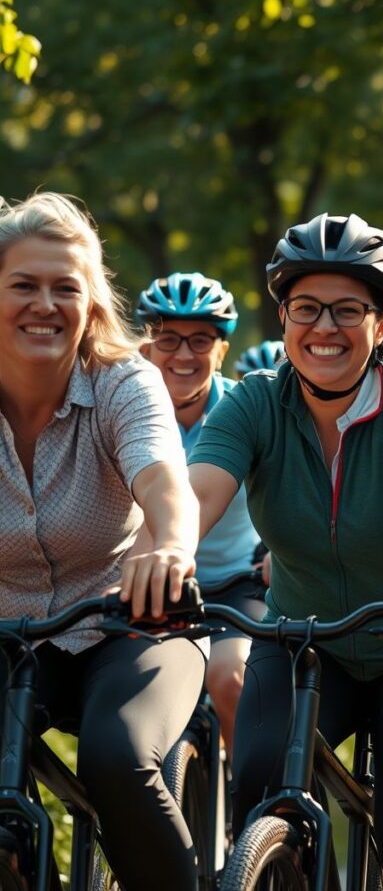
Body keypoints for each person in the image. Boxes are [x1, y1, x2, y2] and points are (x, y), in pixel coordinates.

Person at [184, 212, 383, 891]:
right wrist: (165, 552)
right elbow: (196, 494)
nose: (324, 326)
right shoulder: (252, 407)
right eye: (306, 308)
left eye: (347, 310)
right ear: (282, 318)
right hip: (302, 639)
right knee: (263, 792)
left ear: (382, 325)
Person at [0, 192, 203, 890]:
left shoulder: (124, 381)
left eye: (66, 288)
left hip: (129, 624)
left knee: (116, 760)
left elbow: (165, 483)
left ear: (91, 304)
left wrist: (169, 547)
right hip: (9, 634)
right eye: (23, 285)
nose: (44, 305)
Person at [137, 271, 265, 757]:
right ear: (147, 345)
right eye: (168, 339)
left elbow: (285, 484)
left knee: (228, 676)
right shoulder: (124, 407)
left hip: (237, 582)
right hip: (153, 583)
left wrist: (274, 551)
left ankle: (249, 811)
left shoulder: (244, 407)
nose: (184, 355)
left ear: (222, 349)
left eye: (200, 340)